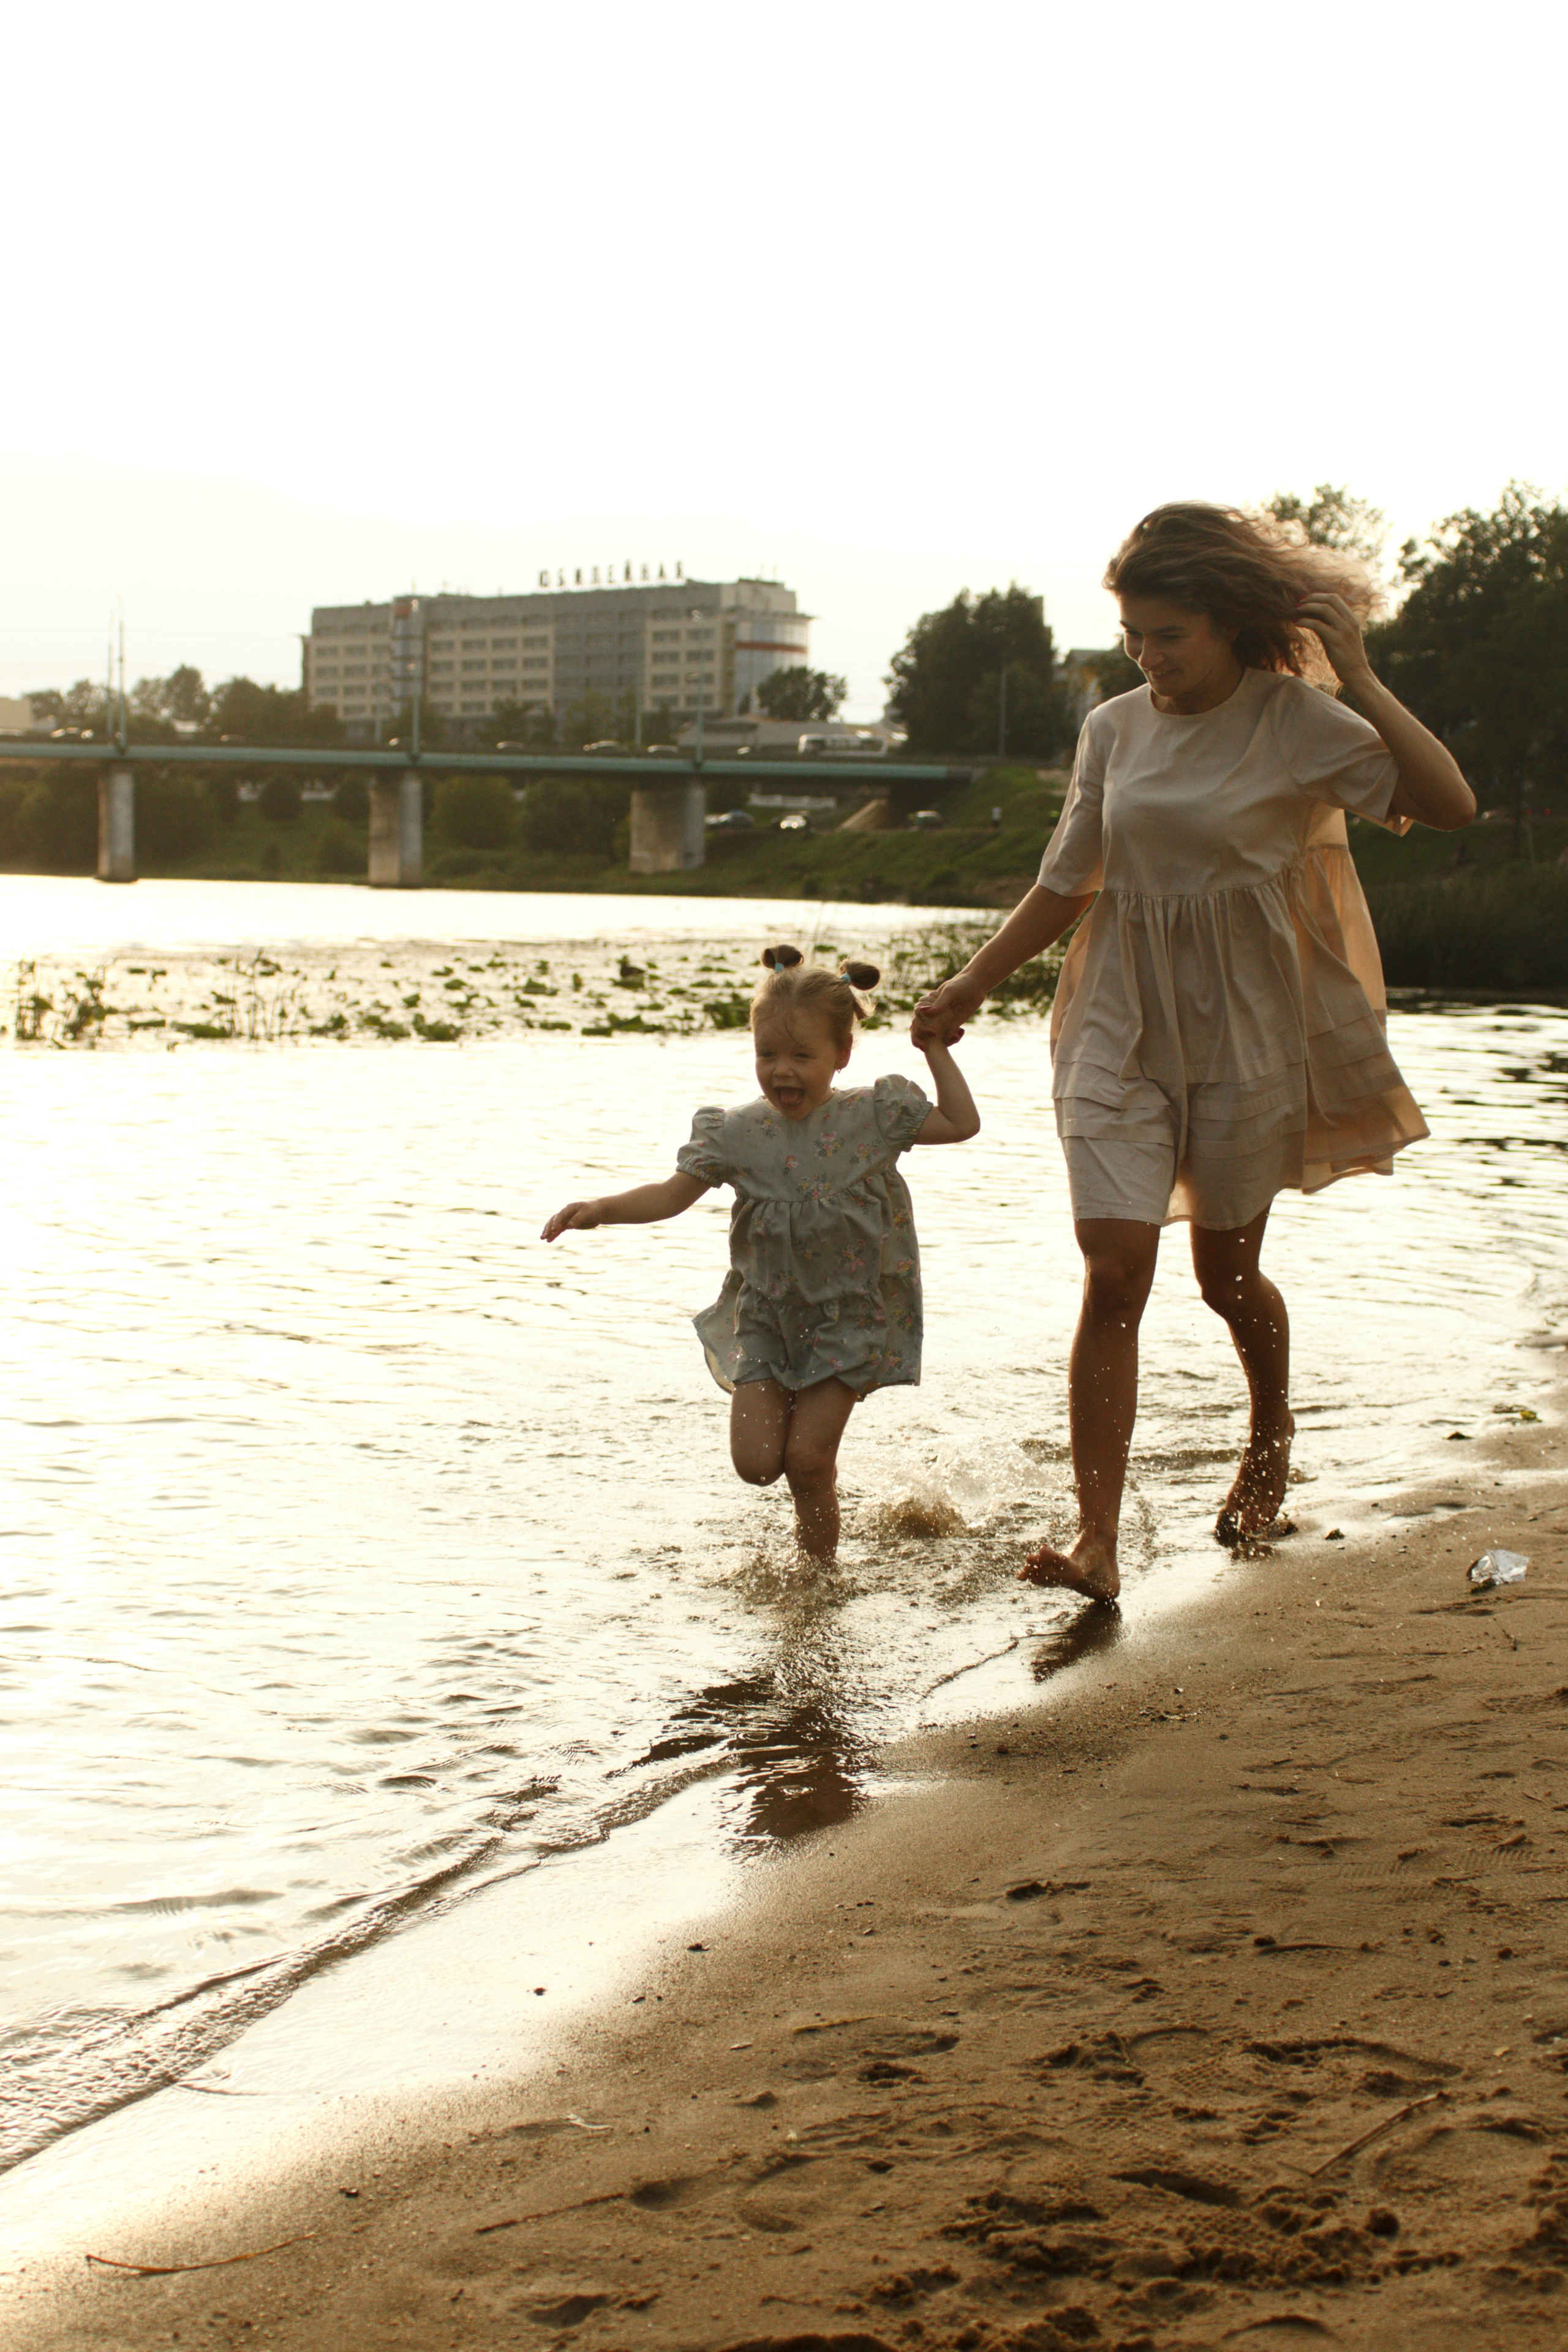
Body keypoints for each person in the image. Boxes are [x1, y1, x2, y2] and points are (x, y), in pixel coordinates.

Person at [912, 502, 1475, 1605]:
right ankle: (1096, 1540)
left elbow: (1449, 805)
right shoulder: (1114, 728)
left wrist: (1357, 677)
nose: (1146, 656)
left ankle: (1270, 1425)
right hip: (1117, 1014)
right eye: (1133, 634)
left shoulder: (1297, 720)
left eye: (1168, 634)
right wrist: (973, 981)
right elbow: (1070, 878)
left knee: (1225, 1276)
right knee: (1115, 1266)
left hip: (1245, 1026)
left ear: (1224, 625)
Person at [543, 945, 980, 1561]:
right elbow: (671, 1196)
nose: (782, 1071)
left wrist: (935, 1051)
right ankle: (814, 1545)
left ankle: (817, 1580)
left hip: (848, 1319)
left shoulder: (873, 1117)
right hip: (769, 1318)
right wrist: (601, 1209)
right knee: (755, 1466)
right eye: (767, 1054)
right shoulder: (737, 1132)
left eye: (802, 1056)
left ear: (841, 1055)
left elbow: (961, 1123)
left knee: (805, 1462)